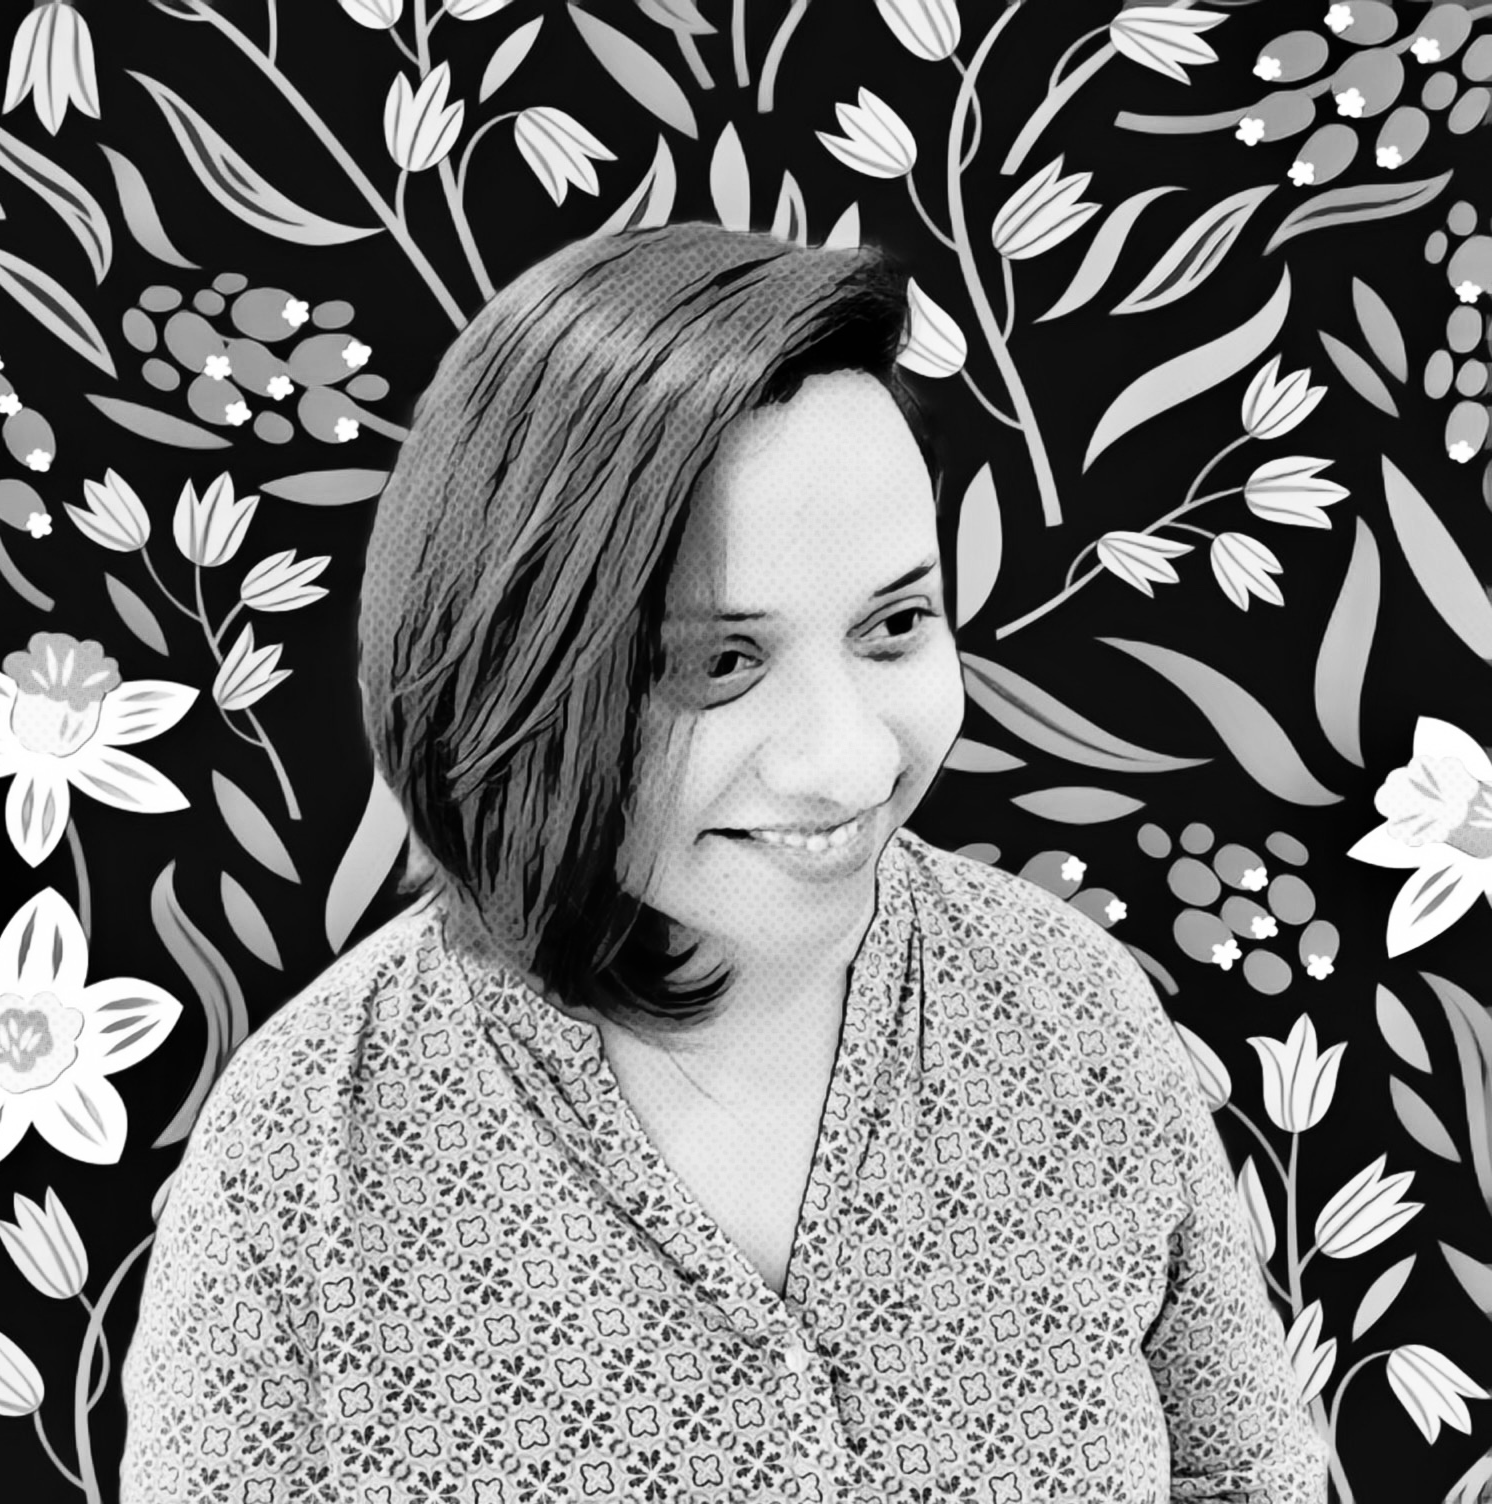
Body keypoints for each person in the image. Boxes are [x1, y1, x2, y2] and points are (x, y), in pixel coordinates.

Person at [119, 221, 1331, 1501]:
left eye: (895, 624)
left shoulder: (1074, 1017)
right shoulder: (300, 1154)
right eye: (719, 662)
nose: (849, 761)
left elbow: (1246, 1475)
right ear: (512, 673)